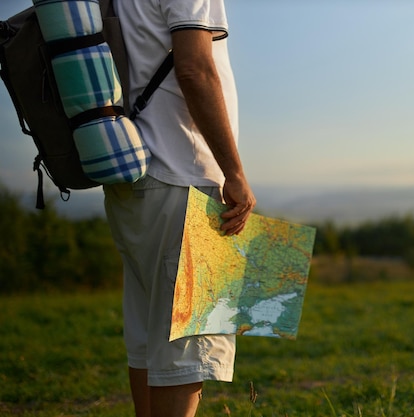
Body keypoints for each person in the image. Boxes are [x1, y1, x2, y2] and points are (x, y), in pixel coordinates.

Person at [104, 1, 256, 416]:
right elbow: (194, 69)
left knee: (149, 345)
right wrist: (234, 173)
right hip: (183, 178)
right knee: (185, 352)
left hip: (133, 180)